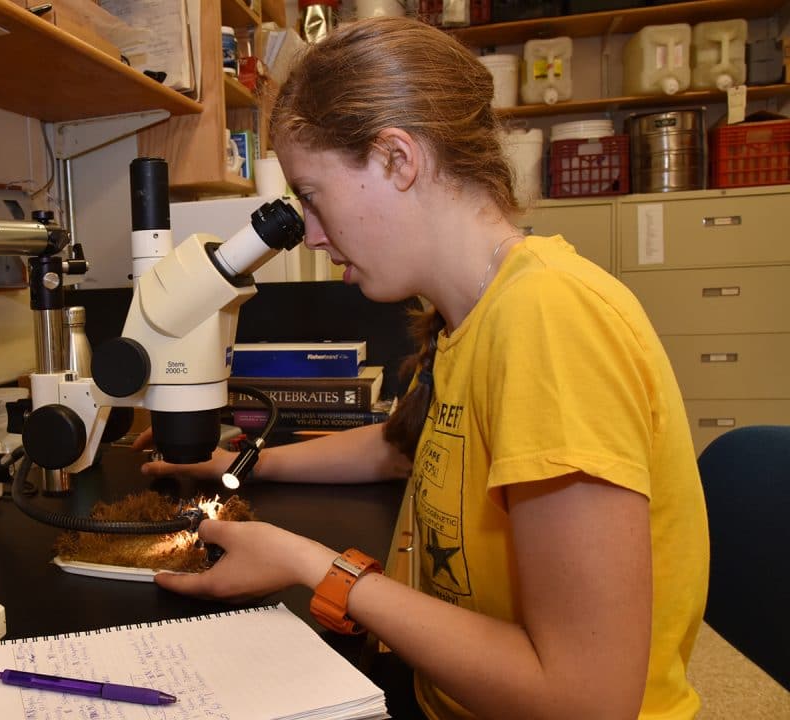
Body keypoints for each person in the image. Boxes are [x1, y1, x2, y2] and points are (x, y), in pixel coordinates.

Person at [137, 16, 708, 720]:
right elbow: (402, 447)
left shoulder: (550, 320)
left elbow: (587, 702)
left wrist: (313, 565)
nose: (310, 233)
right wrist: (240, 462)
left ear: (397, 160)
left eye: (312, 196)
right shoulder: (473, 313)